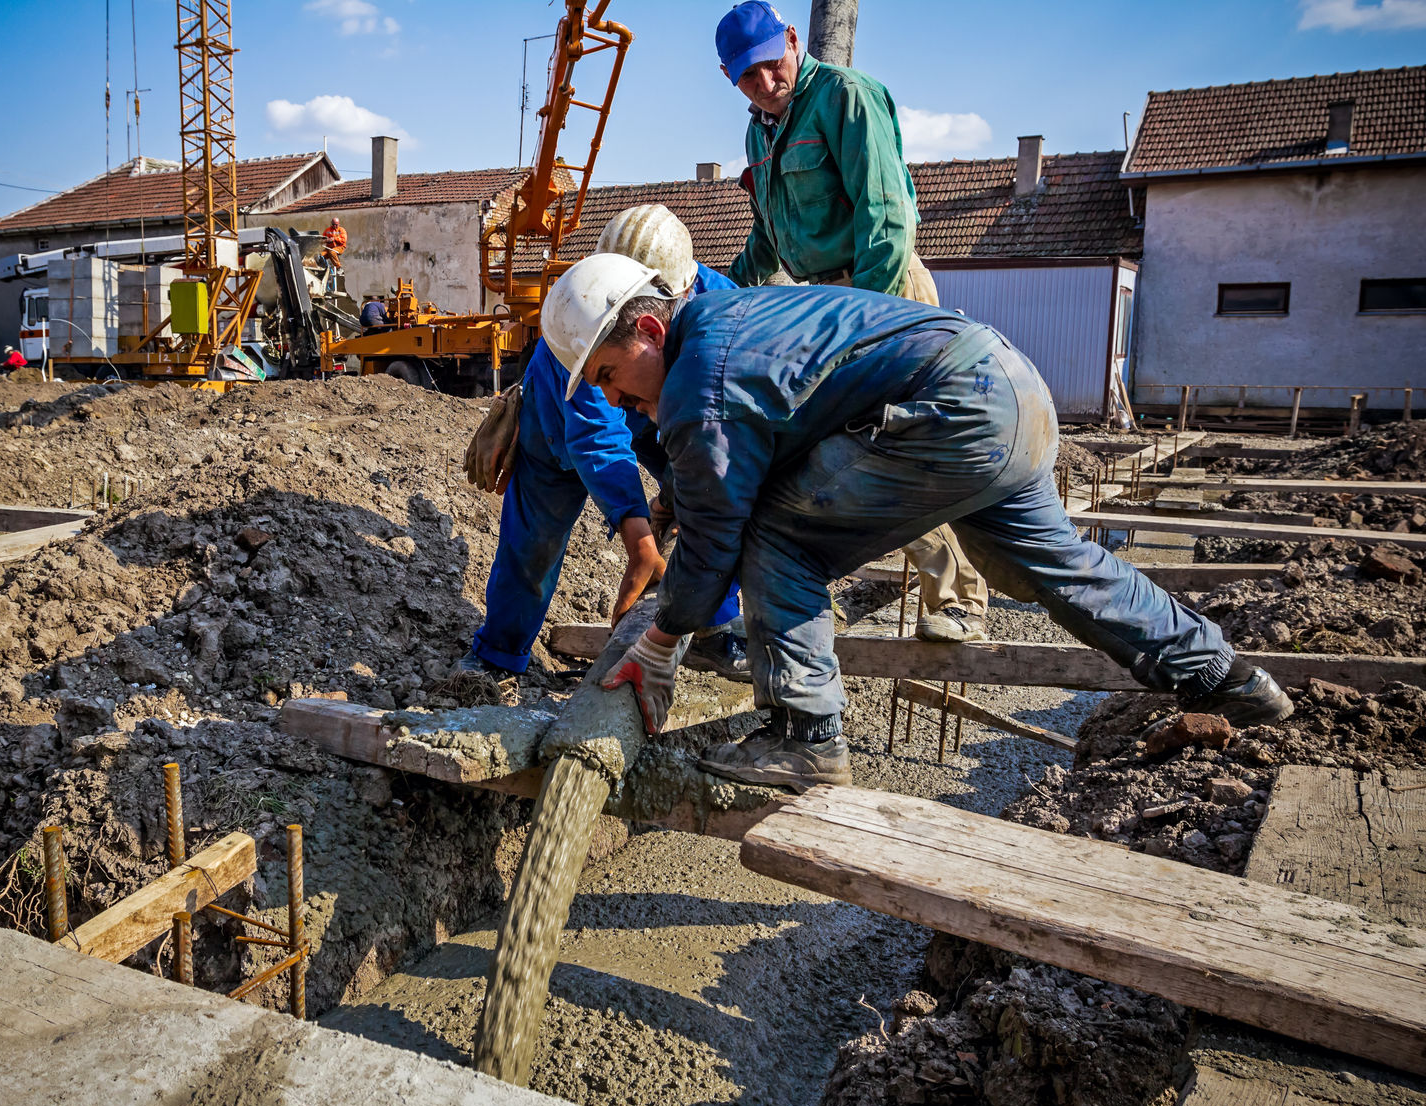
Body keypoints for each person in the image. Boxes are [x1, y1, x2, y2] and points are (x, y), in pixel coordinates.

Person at [545, 254, 1294, 790]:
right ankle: (1224, 675)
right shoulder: (728, 318)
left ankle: (806, 736)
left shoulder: (702, 379)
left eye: (609, 376)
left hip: (955, 410)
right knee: (1052, 563)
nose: (610, 399)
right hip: (1010, 385)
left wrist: (662, 640)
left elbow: (718, 533)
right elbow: (712, 467)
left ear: (647, 327)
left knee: (775, 532)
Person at [715, 0, 988, 643]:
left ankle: (960, 600)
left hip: (884, 291)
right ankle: (807, 598)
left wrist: (865, 322)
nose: (763, 83)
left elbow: (886, 220)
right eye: (745, 77)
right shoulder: (759, 132)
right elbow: (767, 236)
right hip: (825, 303)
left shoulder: (847, 98)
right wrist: (716, 299)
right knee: (826, 455)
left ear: (790, 39)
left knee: (900, 447)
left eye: (768, 65)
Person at [457, 206, 747, 686]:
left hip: (662, 410)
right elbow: (598, 432)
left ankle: (717, 624)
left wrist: (681, 494)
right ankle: (499, 654)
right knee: (534, 543)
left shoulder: (718, 302)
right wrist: (641, 544)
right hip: (556, 429)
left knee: (718, 490)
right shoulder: (586, 318)